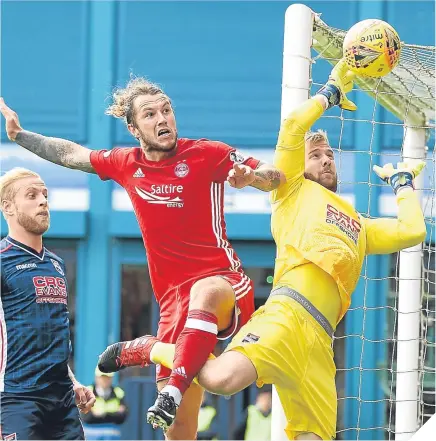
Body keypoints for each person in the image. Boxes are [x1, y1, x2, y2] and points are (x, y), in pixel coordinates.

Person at [100, 60, 428, 440]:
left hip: (322, 341)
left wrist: (403, 184)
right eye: (315, 155)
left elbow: (412, 231)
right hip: (285, 316)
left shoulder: (359, 224)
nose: (325, 159)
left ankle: (166, 351)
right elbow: (292, 128)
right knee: (220, 380)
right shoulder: (292, 191)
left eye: (330, 156)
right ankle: (153, 348)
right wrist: (330, 93)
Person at [0, 82, 284, 438]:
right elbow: (71, 154)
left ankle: (170, 387)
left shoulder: (208, 153)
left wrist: (252, 177)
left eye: (166, 110)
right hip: (172, 305)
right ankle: (153, 350)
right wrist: (21, 135)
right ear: (134, 128)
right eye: (150, 114)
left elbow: (276, 176)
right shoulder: (126, 164)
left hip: (224, 282)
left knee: (206, 295)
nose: (162, 118)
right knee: (180, 429)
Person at [0, 167, 96, 440]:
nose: (43, 200)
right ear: (8, 207)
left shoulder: (56, 264)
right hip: (17, 400)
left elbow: (51, 336)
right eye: (31, 195)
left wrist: (74, 382)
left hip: (63, 402)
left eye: (45, 194)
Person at [81, 368, 128, 440]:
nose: (105, 380)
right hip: (92, 435)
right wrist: (114, 413)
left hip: (113, 435)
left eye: (108, 377)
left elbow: (122, 417)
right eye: (102, 377)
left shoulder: (119, 392)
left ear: (112, 378)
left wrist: (101, 414)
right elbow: (86, 417)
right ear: (96, 377)